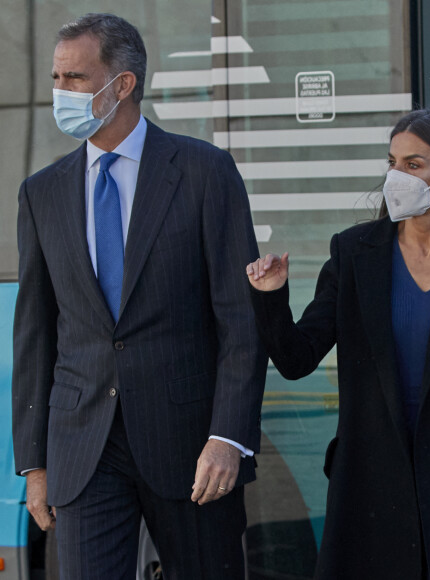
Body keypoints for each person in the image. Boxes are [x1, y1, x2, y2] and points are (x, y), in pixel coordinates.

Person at [12, 13, 266, 580]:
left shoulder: (205, 173)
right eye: (55, 77)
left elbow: (240, 322)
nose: (60, 92)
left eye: (74, 78)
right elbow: (35, 333)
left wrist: (228, 437)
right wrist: (34, 465)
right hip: (83, 448)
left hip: (193, 446)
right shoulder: (41, 193)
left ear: (122, 84)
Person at [246, 109, 430, 580]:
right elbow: (296, 358)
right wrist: (270, 298)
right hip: (370, 485)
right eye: (392, 162)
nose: (395, 176)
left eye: (413, 164)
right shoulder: (354, 253)